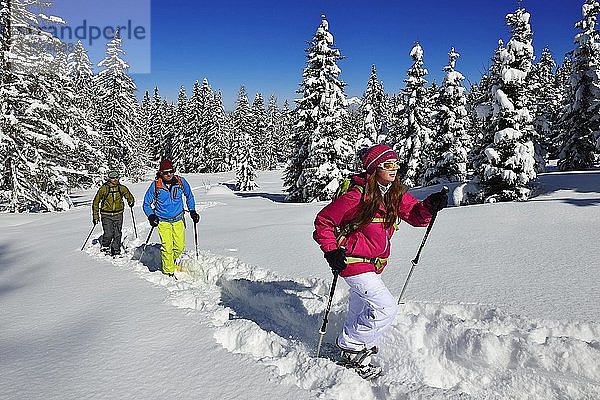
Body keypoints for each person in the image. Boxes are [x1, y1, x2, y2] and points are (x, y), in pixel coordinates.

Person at [313, 144, 448, 379]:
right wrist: (331, 251)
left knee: (360, 308)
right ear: (375, 168)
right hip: (351, 261)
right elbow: (323, 221)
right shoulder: (356, 195)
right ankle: (351, 343)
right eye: (388, 165)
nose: (394, 169)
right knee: (386, 308)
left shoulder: (395, 194)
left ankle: (351, 351)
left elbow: (416, 217)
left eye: (396, 163)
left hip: (374, 263)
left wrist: (430, 205)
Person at [142, 159, 199, 277]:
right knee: (167, 247)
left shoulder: (180, 182)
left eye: (171, 171)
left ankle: (168, 262)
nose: (169, 174)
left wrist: (192, 210)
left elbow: (189, 196)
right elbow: (146, 204)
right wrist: (151, 216)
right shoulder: (156, 185)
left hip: (178, 219)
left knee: (179, 246)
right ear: (160, 173)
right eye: (166, 172)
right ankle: (168, 272)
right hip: (162, 221)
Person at [92, 170, 135, 257]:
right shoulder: (104, 189)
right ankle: (105, 246)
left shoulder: (122, 188)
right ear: (109, 179)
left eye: (116, 177)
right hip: (106, 214)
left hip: (118, 214)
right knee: (108, 233)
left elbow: (129, 196)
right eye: (112, 178)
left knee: (117, 233)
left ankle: (116, 250)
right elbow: (96, 202)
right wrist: (95, 216)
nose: (115, 179)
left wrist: (131, 201)